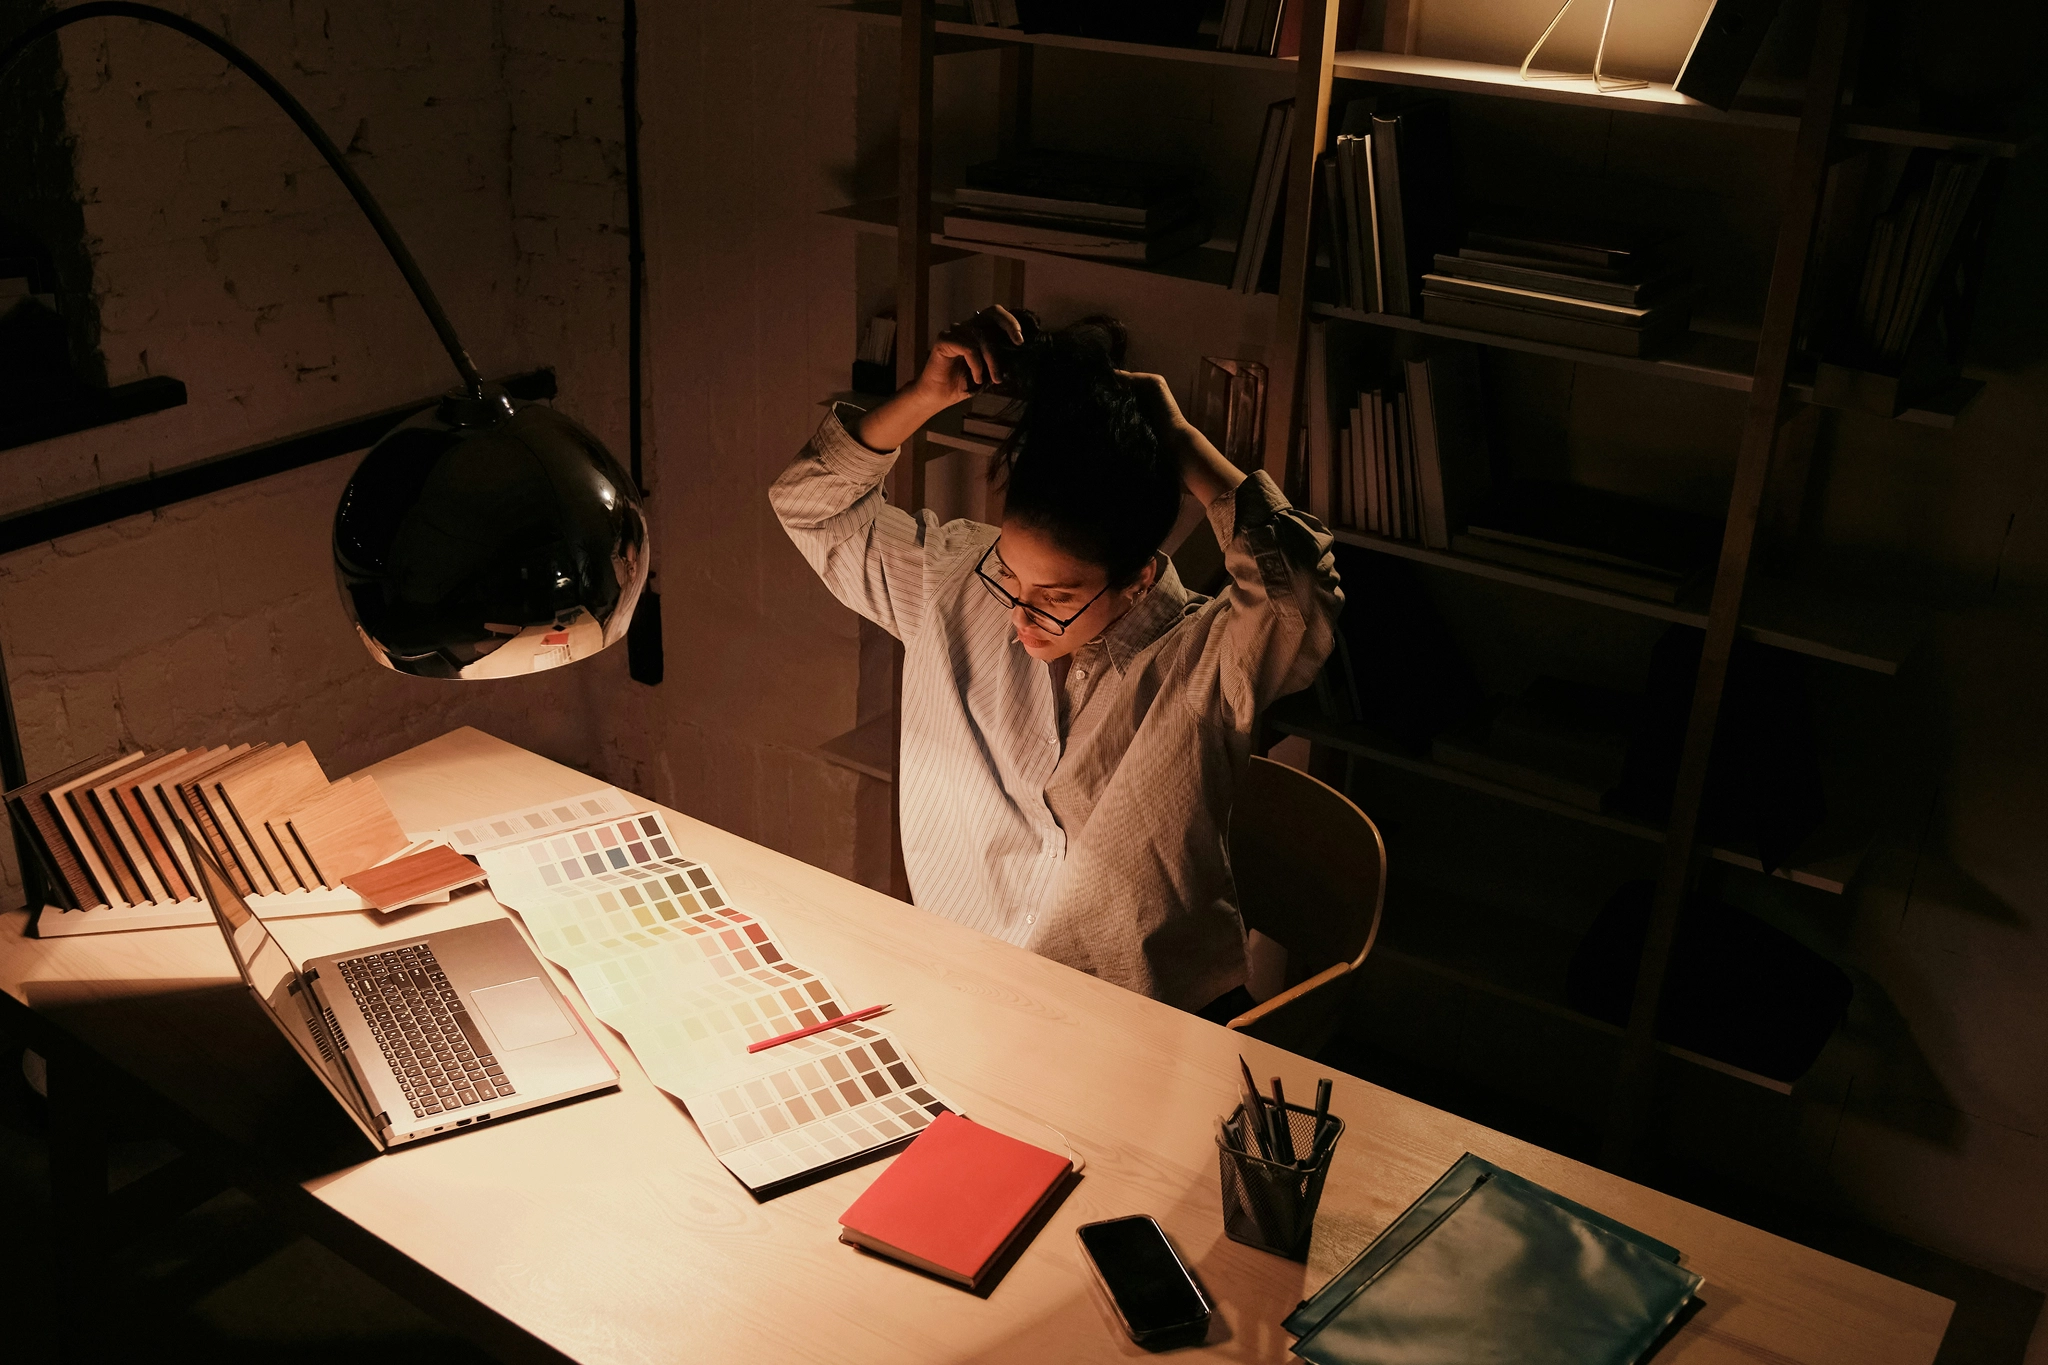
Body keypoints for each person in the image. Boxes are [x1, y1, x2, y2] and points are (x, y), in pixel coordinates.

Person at [771, 307, 1341, 1015]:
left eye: (1057, 596)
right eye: (1011, 574)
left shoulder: (1205, 659)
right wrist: (923, 396)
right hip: (971, 987)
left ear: (1138, 577)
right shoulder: (954, 581)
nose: (1020, 616)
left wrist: (1182, 441)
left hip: (1144, 1016)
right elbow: (812, 506)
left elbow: (1301, 595)